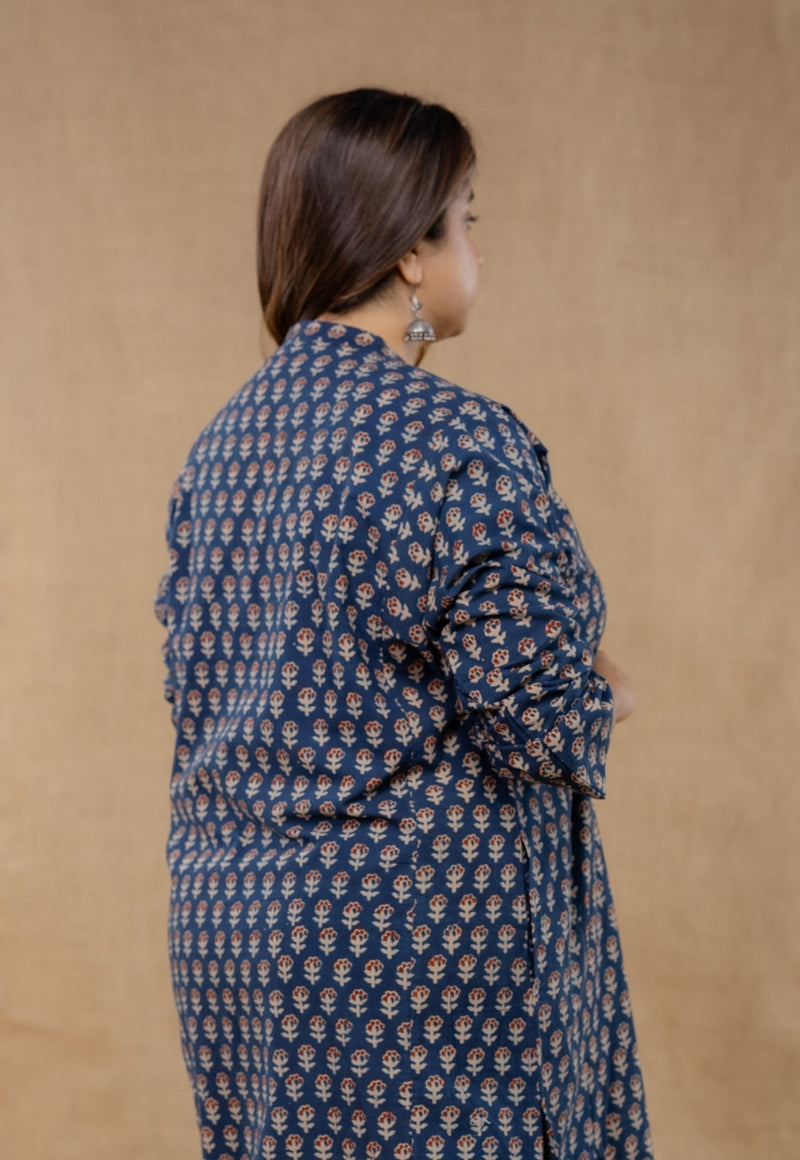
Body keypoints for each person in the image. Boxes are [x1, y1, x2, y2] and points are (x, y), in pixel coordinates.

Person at [156, 88, 653, 1160]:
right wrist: (605, 690)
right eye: (465, 218)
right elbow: (532, 715)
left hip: (236, 939)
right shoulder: (451, 438)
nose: (478, 245)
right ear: (409, 254)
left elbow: (211, 686)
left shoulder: (221, 447)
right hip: (414, 955)